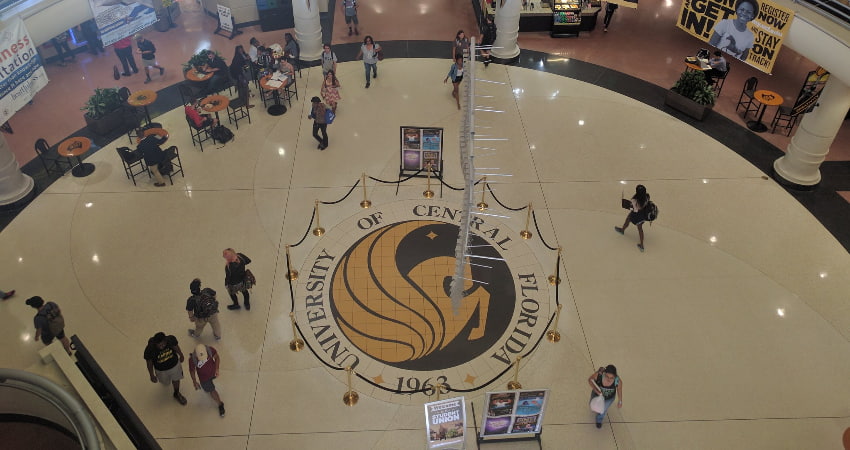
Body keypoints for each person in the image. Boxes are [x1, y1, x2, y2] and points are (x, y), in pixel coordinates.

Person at [144, 332, 188, 405]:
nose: (162, 347)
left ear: (165, 340)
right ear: (155, 344)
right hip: (161, 370)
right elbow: (149, 363)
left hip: (175, 366)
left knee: (176, 379)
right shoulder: (150, 349)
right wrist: (151, 375)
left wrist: (181, 355)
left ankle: (177, 393)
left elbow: (175, 346)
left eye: (163, 344)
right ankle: (167, 382)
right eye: (159, 345)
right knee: (165, 383)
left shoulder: (170, 340)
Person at [188, 344, 225, 417]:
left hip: (213, 372)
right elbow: (192, 371)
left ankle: (220, 404)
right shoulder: (192, 360)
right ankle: (220, 404)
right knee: (211, 390)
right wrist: (194, 381)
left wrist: (217, 369)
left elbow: (217, 357)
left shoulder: (210, 350)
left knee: (211, 388)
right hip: (204, 379)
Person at [614, 184, 650, 252]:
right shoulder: (647, 196)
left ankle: (622, 230)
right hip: (643, 215)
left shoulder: (634, 200)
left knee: (628, 219)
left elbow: (635, 210)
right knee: (640, 229)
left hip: (636, 215)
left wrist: (628, 205)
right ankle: (641, 245)